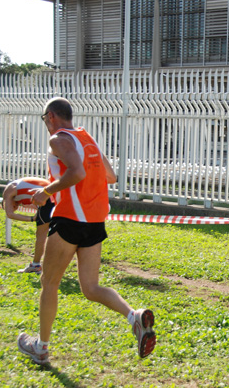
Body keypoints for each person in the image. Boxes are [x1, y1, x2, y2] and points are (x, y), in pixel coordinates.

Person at [17, 97, 156, 365]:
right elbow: (110, 176)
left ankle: (41, 348)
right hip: (94, 222)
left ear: (52, 116)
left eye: (45, 119)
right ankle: (134, 316)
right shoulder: (87, 138)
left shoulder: (58, 139)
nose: (45, 124)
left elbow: (77, 172)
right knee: (91, 287)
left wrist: (45, 192)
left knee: (49, 283)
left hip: (69, 219)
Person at [2, 177, 54, 275]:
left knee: (41, 234)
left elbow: (9, 214)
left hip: (47, 195)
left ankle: (36, 265)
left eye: (14, 206)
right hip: (52, 193)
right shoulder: (21, 194)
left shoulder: (8, 192)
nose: (16, 207)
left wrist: (32, 219)